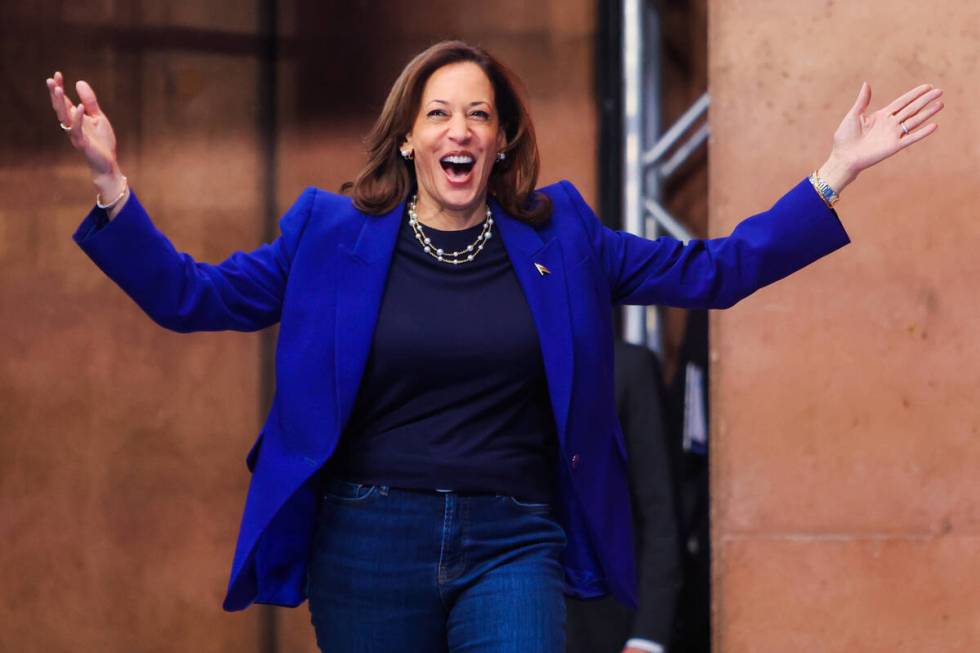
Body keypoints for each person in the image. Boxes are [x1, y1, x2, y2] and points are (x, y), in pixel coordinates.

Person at [46, 40, 942, 652]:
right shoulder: (328, 232)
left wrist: (832, 175)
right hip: (367, 538)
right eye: (439, 114)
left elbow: (713, 271)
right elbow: (191, 296)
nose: (460, 131)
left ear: (502, 136)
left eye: (478, 114)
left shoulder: (565, 235)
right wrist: (112, 185)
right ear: (409, 135)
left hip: (513, 540)